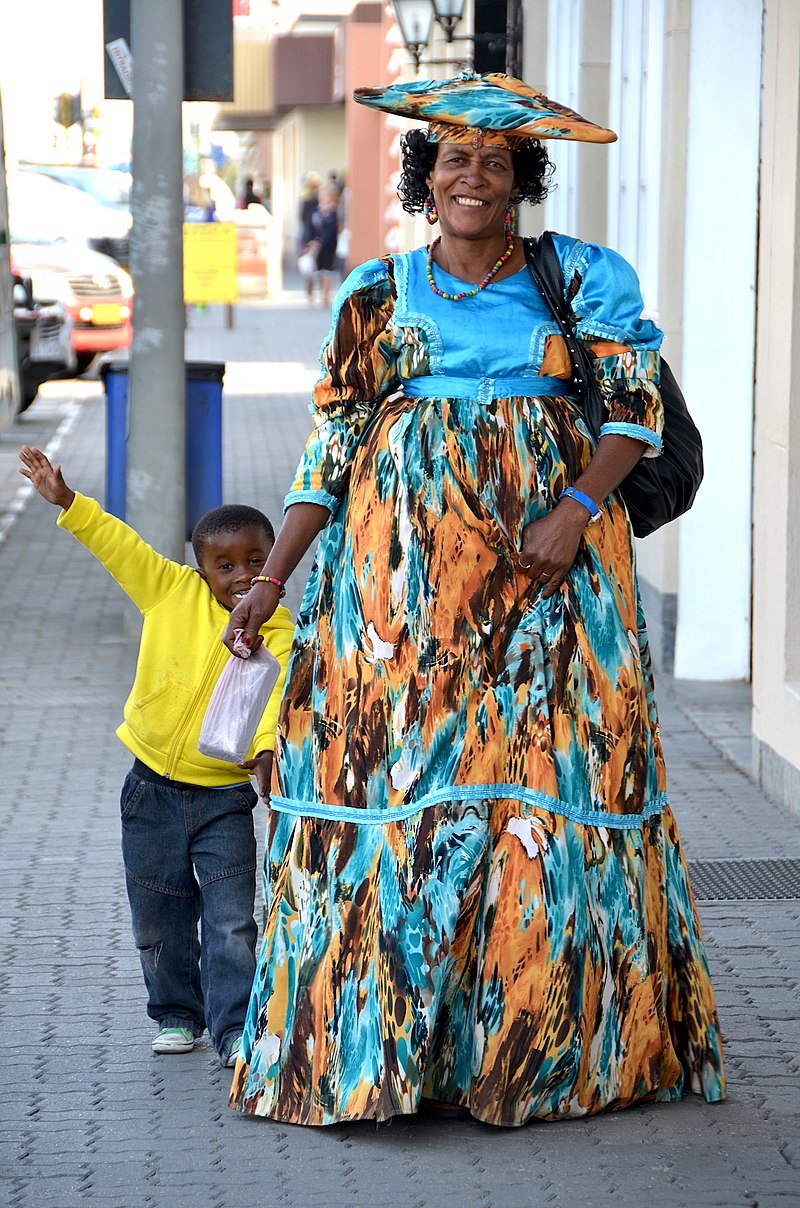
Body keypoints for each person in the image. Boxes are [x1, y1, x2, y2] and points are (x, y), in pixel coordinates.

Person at [225, 71, 726, 1126]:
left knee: (546, 786)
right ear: (425, 173)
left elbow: (632, 413)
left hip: (554, 575)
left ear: (519, 180)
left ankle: (535, 1053)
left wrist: (575, 506)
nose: (473, 177)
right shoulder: (374, 289)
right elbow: (333, 445)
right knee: (402, 787)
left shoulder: (581, 275)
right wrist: (275, 572)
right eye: (454, 159)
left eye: (495, 163)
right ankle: (387, 1053)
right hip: (398, 589)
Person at [18, 446, 295, 1068]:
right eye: (224, 565)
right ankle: (175, 1014)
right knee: (159, 915)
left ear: (276, 563)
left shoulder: (280, 631)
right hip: (150, 794)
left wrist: (266, 751)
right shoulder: (170, 591)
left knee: (230, 925)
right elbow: (121, 547)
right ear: (200, 571)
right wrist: (68, 502)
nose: (242, 574)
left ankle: (232, 1031)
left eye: (257, 560)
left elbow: (275, 704)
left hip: (224, 799)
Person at [310, 185, 340, 307]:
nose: (323, 198)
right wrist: (311, 241)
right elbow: (310, 227)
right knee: (318, 271)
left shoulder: (333, 212)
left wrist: (321, 241)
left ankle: (325, 296)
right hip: (316, 245)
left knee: (328, 271)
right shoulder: (316, 211)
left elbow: (332, 230)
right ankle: (320, 292)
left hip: (329, 246)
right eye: (321, 196)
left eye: (326, 196)